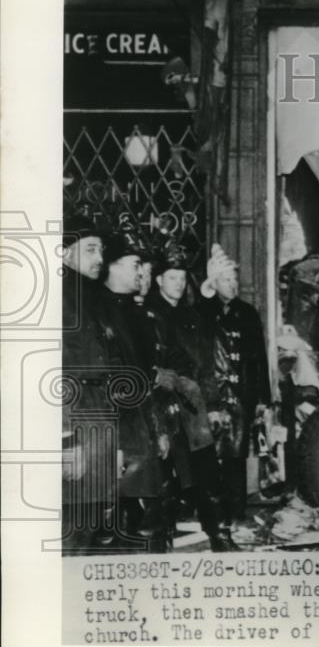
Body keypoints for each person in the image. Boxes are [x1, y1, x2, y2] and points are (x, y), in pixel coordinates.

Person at [144, 243, 238, 551]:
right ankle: (160, 542)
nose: (179, 283)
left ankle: (220, 535)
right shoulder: (148, 315)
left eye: (182, 278)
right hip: (163, 405)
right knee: (164, 476)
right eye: (172, 278)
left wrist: (212, 404)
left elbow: (206, 362)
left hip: (193, 405)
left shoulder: (192, 315)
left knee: (208, 470)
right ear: (159, 281)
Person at [94, 230, 170, 552]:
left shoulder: (136, 313)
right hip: (116, 436)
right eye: (134, 263)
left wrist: (160, 428)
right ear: (113, 266)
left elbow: (149, 378)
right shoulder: (94, 312)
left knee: (147, 522)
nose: (141, 272)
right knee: (114, 527)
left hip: (141, 433)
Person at [198, 244, 271, 526]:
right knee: (209, 457)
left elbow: (259, 358)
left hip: (242, 395)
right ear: (214, 283)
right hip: (213, 395)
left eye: (235, 280)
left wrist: (263, 397)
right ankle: (213, 514)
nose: (233, 285)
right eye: (226, 280)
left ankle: (237, 512)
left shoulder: (248, 314)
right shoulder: (203, 313)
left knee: (236, 456)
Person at [61, 212, 115, 553]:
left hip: (96, 423)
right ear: (66, 253)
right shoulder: (59, 300)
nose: (100, 259)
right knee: (71, 533)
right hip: (76, 424)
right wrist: (66, 441)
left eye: (102, 251)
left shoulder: (89, 297)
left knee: (88, 524)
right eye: (91, 249)